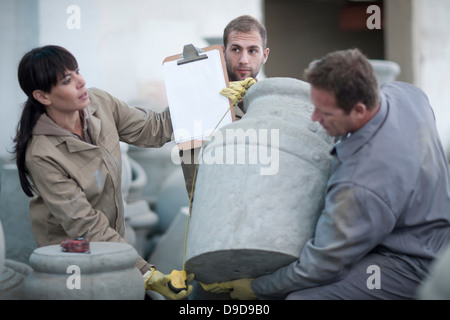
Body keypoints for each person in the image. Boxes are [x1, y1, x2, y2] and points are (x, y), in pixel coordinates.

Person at [201, 48, 450, 299]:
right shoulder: (407, 95)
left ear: (360, 110)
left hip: (412, 263)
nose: (315, 117)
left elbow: (324, 264)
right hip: (433, 231)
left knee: (301, 298)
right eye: (315, 105)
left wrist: (257, 288)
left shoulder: (360, 185)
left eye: (325, 113)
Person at [13, 45, 193, 300]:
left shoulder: (99, 102)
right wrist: (146, 272)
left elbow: (152, 129)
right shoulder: (42, 154)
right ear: (43, 96)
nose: (80, 81)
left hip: (113, 242)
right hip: (72, 263)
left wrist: (202, 100)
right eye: (67, 80)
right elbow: (85, 225)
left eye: (77, 72)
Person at [180, 15, 270, 197]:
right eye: (236, 49)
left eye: (252, 51)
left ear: (264, 55)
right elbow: (192, 165)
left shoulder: (271, 105)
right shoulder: (199, 102)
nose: (244, 60)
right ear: (223, 52)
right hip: (210, 207)